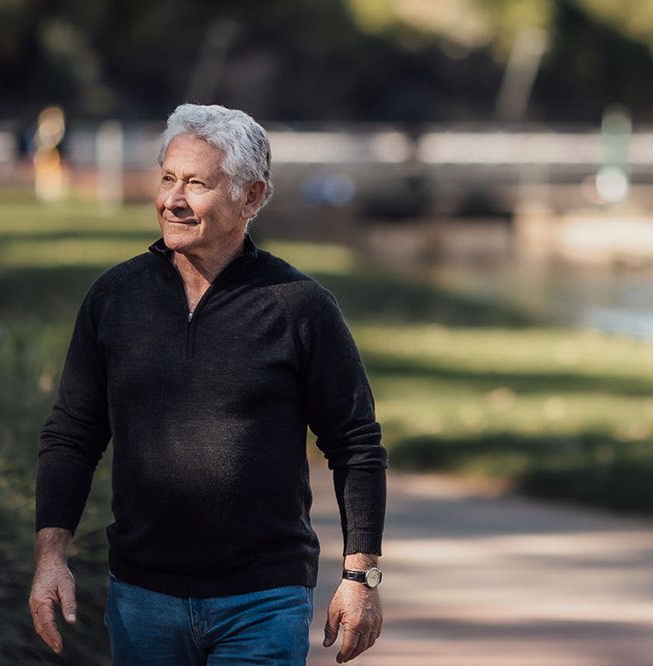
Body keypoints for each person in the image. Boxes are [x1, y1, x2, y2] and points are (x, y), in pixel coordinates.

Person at [27, 103, 388, 665]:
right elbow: (73, 434)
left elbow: (356, 445)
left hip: (263, 600)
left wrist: (361, 577)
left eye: (196, 183)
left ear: (251, 197)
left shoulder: (300, 307)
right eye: (168, 179)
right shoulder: (114, 297)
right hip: (141, 597)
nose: (172, 199)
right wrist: (51, 556)